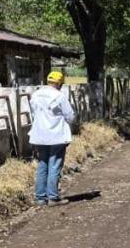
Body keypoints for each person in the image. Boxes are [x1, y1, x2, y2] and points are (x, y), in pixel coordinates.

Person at [29, 71, 76, 206]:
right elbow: (70, 116)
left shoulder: (36, 95)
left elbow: (33, 113)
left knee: (42, 165)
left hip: (39, 136)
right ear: (60, 83)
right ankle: (53, 197)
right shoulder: (59, 96)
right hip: (56, 136)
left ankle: (40, 197)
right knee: (54, 165)